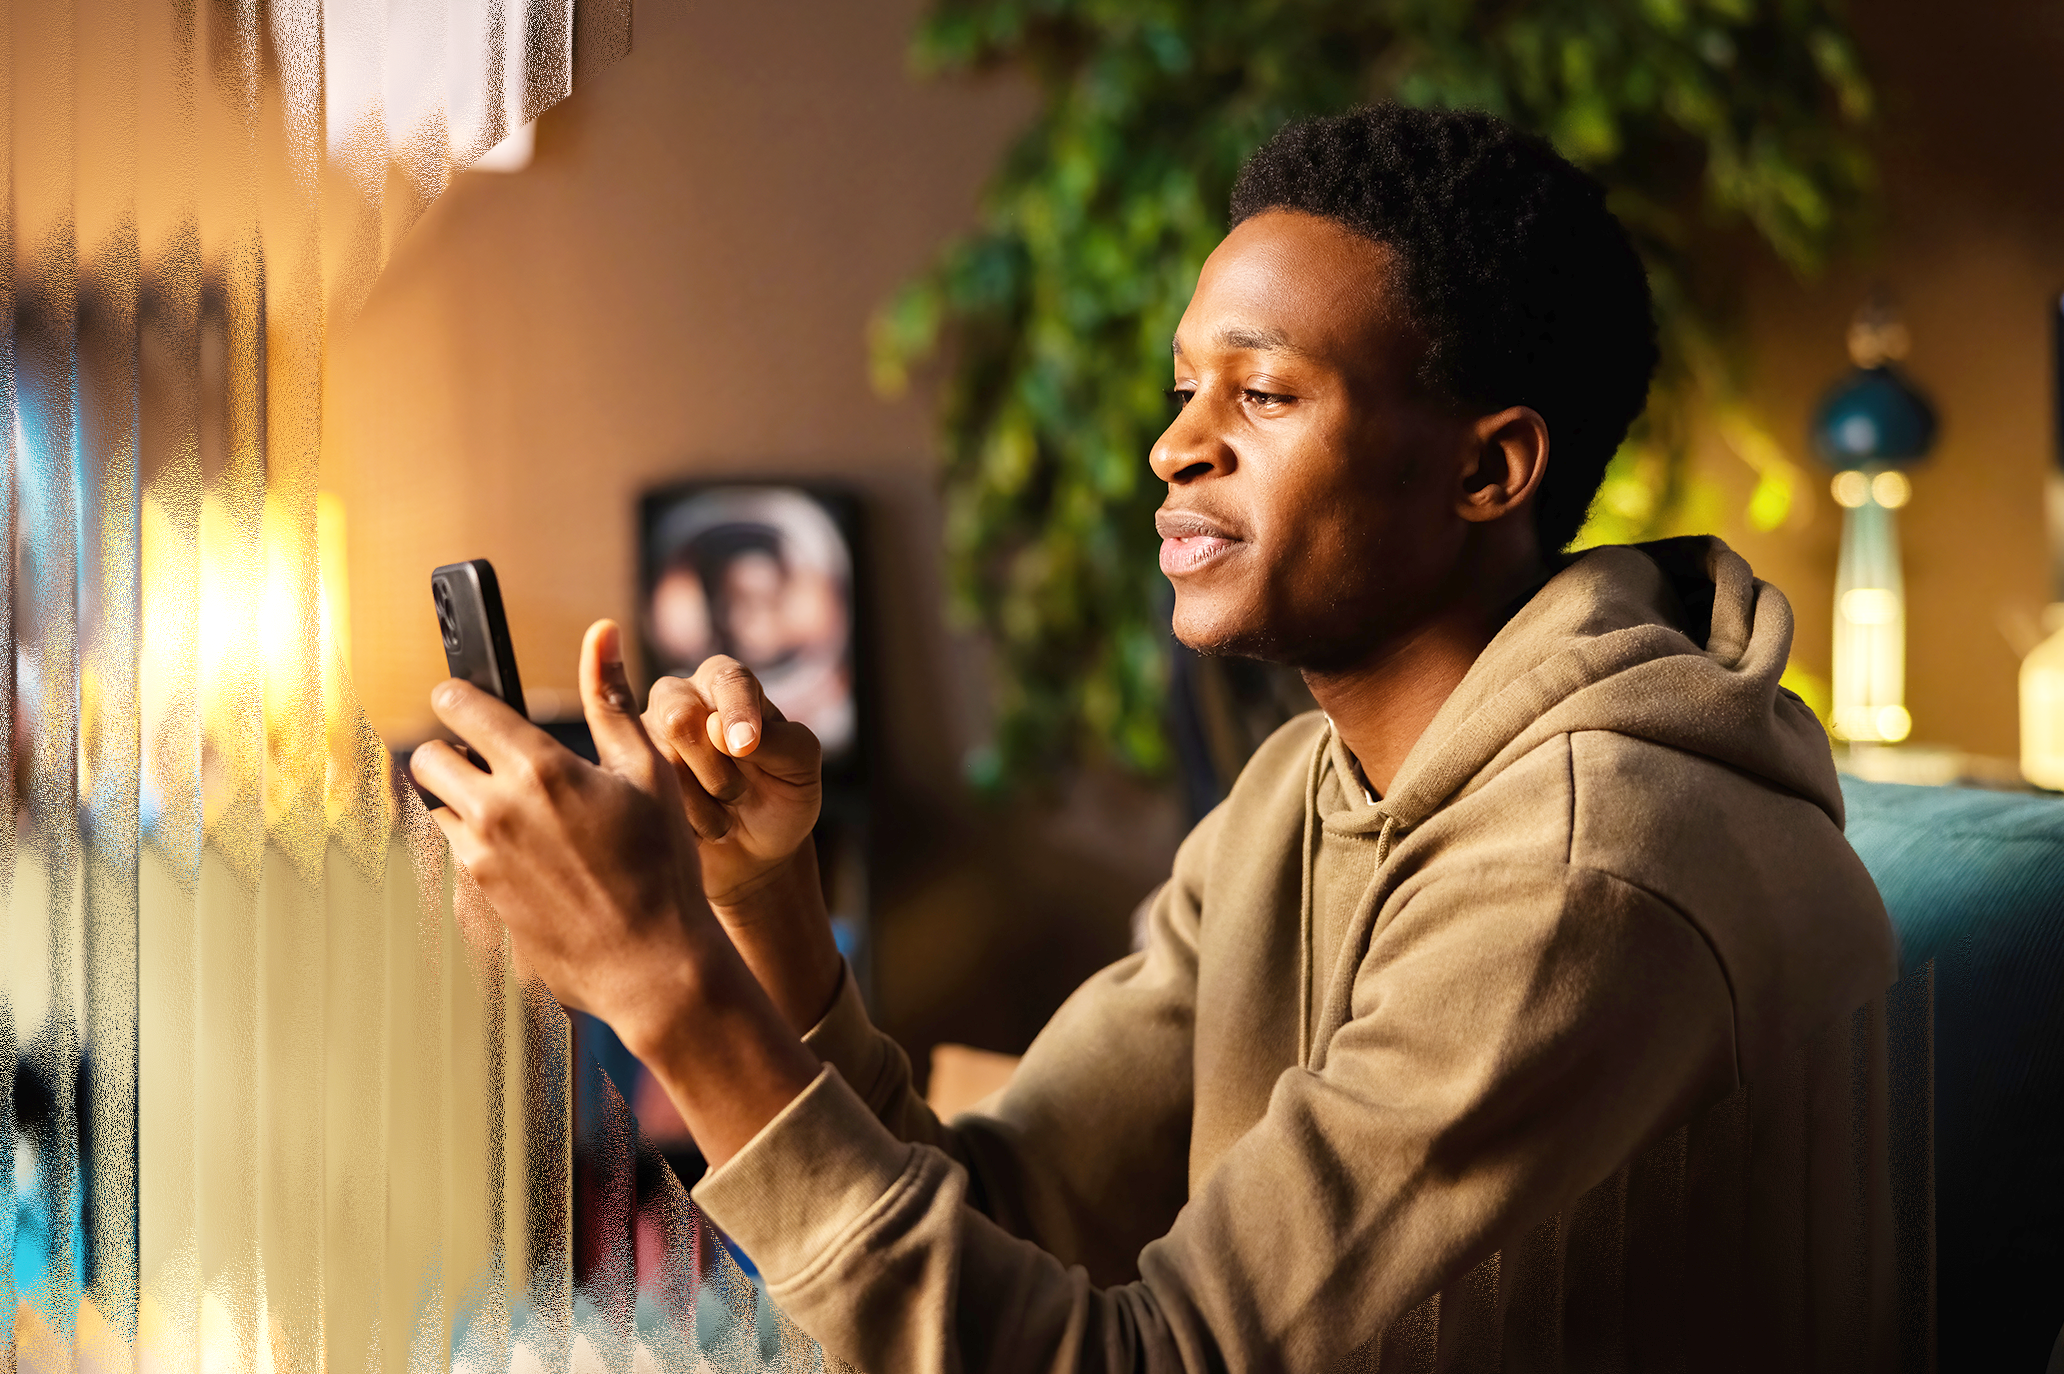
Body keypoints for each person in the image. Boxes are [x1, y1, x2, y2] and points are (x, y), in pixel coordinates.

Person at [410, 105, 1899, 1371]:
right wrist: (760, 908)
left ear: (1489, 469)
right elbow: (999, 1217)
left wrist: (667, 993)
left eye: (1264, 393)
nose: (1176, 445)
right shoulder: (1306, 790)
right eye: (1187, 388)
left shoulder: (1594, 875)